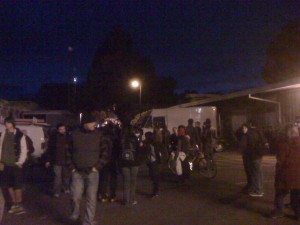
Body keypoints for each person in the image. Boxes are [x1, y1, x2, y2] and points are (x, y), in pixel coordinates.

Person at [69, 114, 112, 225]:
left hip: (92, 172)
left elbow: (105, 153)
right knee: (75, 196)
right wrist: (72, 168)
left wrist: (97, 167)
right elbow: (67, 152)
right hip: (77, 171)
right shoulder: (74, 135)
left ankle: (88, 221)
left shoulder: (99, 135)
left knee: (91, 198)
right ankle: (76, 215)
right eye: (93, 122)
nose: (95, 124)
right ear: (85, 123)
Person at [271, 125, 300, 219]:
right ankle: (298, 213)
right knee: (296, 193)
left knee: (280, 192)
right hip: (298, 173)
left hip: (286, 173)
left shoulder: (284, 144)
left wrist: (278, 172)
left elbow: (280, 160)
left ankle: (279, 211)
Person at [0, 117, 27, 215]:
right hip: (5, 164)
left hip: (15, 164)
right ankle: (12, 204)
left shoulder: (19, 135)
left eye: (8, 123)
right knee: (7, 185)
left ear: (12, 123)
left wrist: (20, 161)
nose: (7, 124)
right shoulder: (3, 134)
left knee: (17, 185)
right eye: (6, 123)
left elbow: (24, 149)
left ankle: (18, 204)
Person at [238, 121, 268, 197]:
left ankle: (258, 190)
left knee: (255, 173)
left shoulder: (248, 134)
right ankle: (259, 188)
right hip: (259, 155)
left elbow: (242, 145)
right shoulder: (259, 132)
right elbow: (265, 142)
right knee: (259, 173)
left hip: (252, 156)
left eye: (244, 128)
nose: (243, 129)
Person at [45, 123, 71, 197]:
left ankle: (65, 188)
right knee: (57, 177)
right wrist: (48, 160)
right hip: (56, 160)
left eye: (63, 129)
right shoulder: (54, 138)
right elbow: (49, 149)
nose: (62, 130)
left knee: (66, 176)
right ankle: (56, 191)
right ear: (57, 130)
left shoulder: (68, 137)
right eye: (60, 129)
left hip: (66, 160)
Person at [118, 125, 141, 206]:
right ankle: (132, 200)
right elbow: (138, 150)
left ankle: (126, 200)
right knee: (133, 182)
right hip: (134, 162)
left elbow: (118, 152)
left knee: (126, 182)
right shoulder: (135, 138)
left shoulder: (121, 139)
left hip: (124, 163)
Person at [98, 121, 120, 203]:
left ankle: (102, 195)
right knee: (113, 178)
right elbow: (118, 150)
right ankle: (112, 195)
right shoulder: (115, 138)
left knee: (103, 178)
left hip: (104, 160)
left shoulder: (102, 138)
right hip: (113, 159)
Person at [143, 132, 163, 198]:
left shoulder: (155, 144)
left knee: (155, 177)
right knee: (153, 176)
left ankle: (155, 192)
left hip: (155, 162)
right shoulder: (148, 144)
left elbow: (158, 153)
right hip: (151, 162)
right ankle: (155, 191)